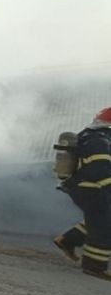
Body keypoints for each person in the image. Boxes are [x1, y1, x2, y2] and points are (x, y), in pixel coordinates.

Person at [53, 107, 111, 281]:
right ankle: (94, 267)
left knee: (98, 217)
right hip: (90, 187)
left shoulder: (90, 135)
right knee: (104, 225)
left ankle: (68, 240)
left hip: (85, 187)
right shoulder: (99, 141)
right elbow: (99, 169)